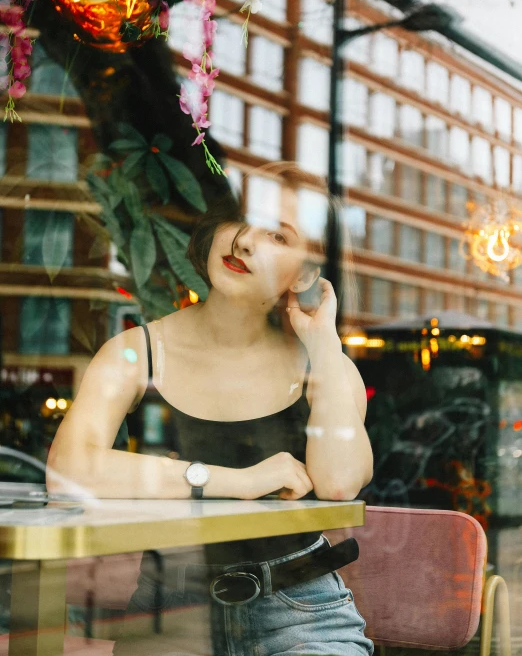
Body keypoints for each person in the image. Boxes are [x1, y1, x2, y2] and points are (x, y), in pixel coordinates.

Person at [47, 162, 374, 656]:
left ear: (306, 273)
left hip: (300, 615)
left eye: (278, 237)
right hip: (169, 611)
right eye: (240, 219)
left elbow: (340, 483)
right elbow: (68, 470)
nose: (244, 241)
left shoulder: (324, 366)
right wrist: (235, 481)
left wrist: (323, 344)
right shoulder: (137, 351)